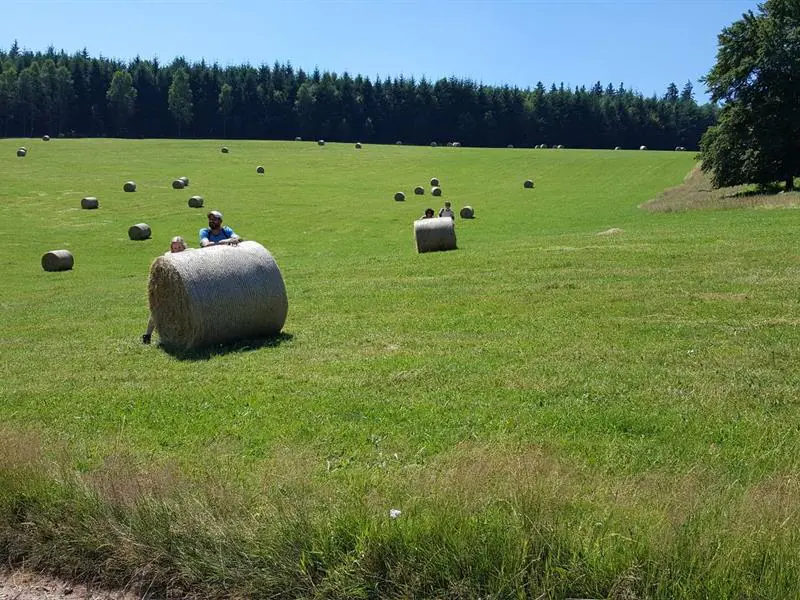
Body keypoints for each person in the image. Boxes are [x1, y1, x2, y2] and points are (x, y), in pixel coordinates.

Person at [142, 236, 187, 344]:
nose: (176, 250)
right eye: (174, 247)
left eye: (179, 247)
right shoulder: (167, 257)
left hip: (183, 289)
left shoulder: (188, 254)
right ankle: (147, 335)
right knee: (156, 310)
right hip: (168, 289)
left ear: (183, 246)